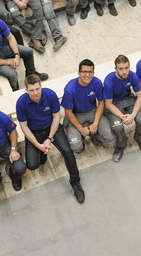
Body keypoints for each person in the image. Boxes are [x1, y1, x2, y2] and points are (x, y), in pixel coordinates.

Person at [16, 74, 85, 204]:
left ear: (41, 86)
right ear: (26, 90)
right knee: (32, 165)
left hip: (51, 128)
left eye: (37, 89)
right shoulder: (21, 103)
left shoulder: (50, 95)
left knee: (68, 152)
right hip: (34, 132)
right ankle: (43, 154)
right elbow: (24, 127)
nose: (35, 93)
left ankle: (76, 183)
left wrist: (49, 139)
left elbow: (56, 117)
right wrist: (38, 145)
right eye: (31, 90)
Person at [0, 6, 48, 91]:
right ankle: (15, 90)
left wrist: (17, 55)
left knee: (28, 51)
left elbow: (11, 37)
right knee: (12, 74)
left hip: (0, 48)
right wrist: (9, 63)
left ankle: (31, 75)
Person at [62, 59, 115, 153]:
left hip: (92, 111)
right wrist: (81, 130)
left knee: (109, 137)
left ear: (93, 73)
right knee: (76, 147)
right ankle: (81, 139)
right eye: (84, 72)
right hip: (75, 114)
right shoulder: (70, 89)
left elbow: (101, 103)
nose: (87, 75)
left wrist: (95, 124)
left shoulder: (97, 82)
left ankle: (94, 136)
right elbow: (68, 113)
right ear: (79, 73)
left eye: (90, 72)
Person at [104, 55, 141, 162]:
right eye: (121, 69)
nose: (124, 71)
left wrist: (132, 115)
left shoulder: (133, 76)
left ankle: (140, 139)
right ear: (115, 69)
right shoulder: (109, 81)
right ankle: (121, 145)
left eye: (126, 68)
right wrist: (123, 117)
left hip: (129, 100)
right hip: (114, 103)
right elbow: (108, 104)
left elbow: (140, 96)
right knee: (118, 127)